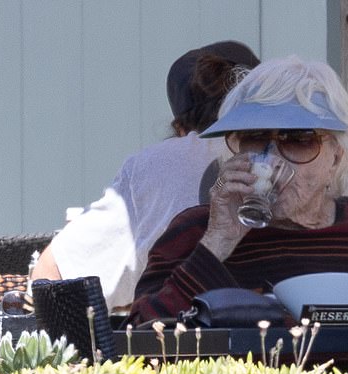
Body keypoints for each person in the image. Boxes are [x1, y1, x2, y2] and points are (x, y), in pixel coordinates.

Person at [128, 55, 348, 324]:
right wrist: (217, 244)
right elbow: (136, 339)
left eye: (298, 139)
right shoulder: (195, 231)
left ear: (335, 156)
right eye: (254, 137)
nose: (272, 157)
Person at [31, 41, 261, 311]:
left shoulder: (160, 163)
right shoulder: (303, 155)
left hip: (179, 345)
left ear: (179, 128)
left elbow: (54, 273)